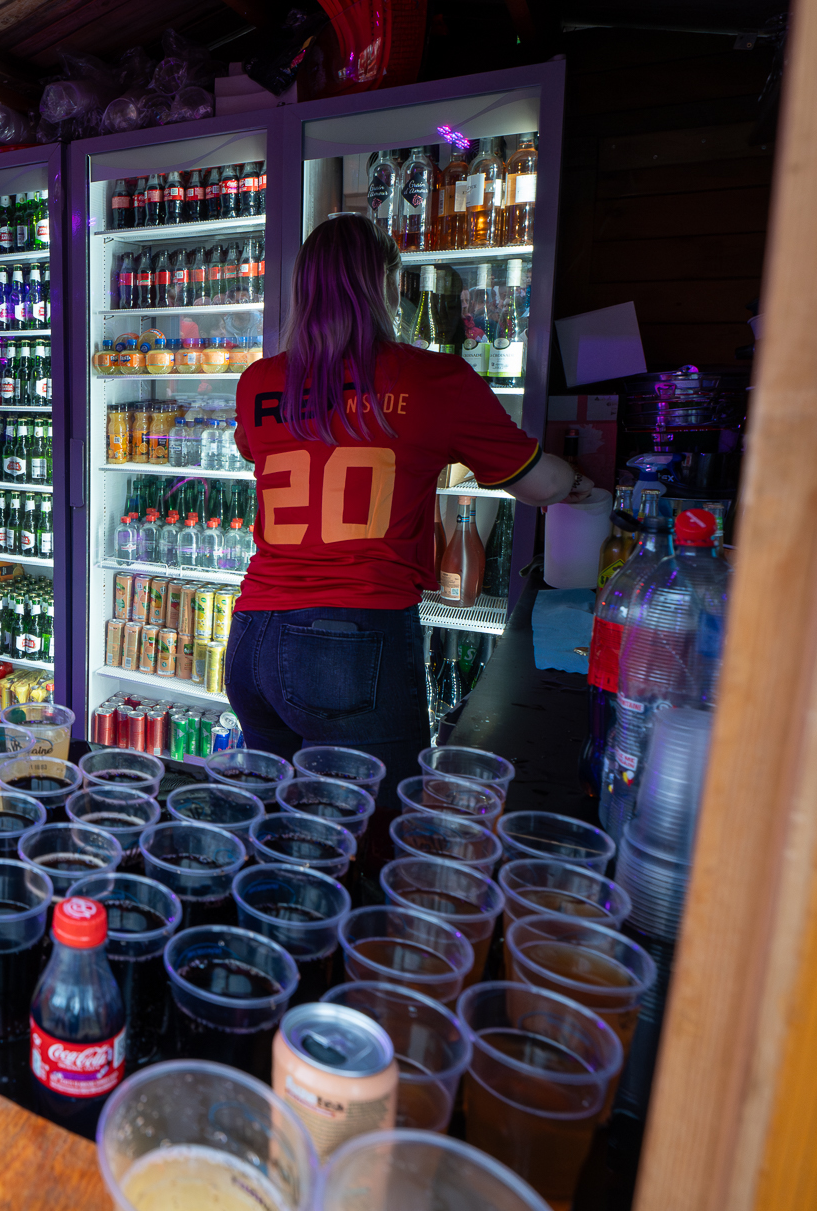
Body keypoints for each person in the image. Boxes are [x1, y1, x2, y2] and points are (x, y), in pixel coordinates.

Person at [228, 213, 593, 790]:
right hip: (353, 635)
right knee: (371, 829)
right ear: (388, 286)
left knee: (279, 822)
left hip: (252, 634)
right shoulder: (434, 379)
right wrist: (579, 481)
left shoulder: (259, 382)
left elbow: (252, 448)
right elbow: (541, 485)